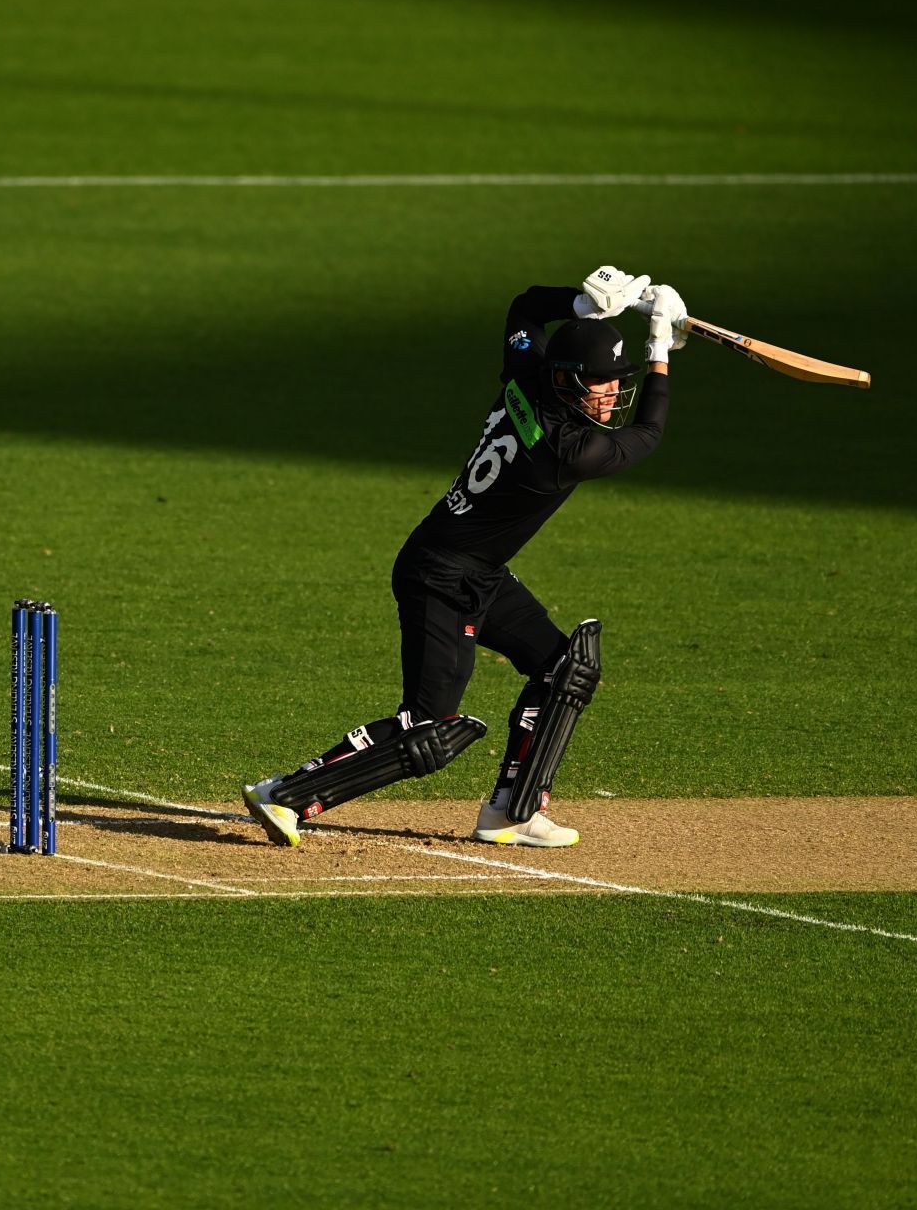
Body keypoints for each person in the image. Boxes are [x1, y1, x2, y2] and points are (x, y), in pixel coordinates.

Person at [243, 267, 687, 849]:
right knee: (429, 728)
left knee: (564, 671)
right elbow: (650, 433)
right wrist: (658, 348)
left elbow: (526, 307)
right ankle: (285, 794)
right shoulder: (568, 449)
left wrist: (581, 303)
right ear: (568, 380)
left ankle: (513, 811)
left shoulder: (526, 382)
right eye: (599, 383)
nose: (610, 394)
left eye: (616, 382)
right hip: (440, 578)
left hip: (475, 569)